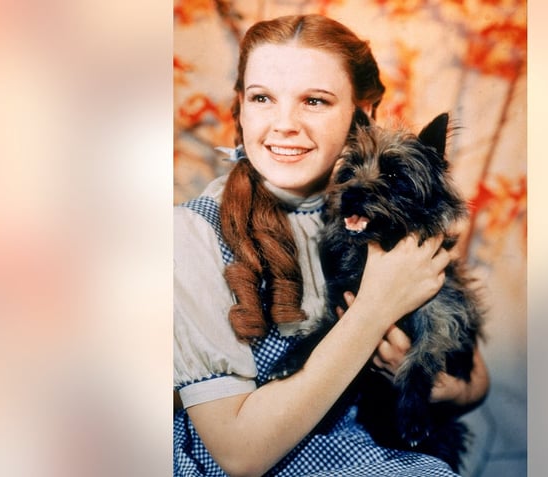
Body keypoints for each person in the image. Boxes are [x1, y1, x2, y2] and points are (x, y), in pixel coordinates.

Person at [174, 14, 489, 477]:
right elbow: (240, 456)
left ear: (363, 115)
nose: (285, 124)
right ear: (239, 108)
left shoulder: (390, 213)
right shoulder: (192, 234)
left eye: (315, 101)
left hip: (381, 458)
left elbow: (474, 379)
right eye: (262, 98)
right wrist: (376, 305)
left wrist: (432, 384)